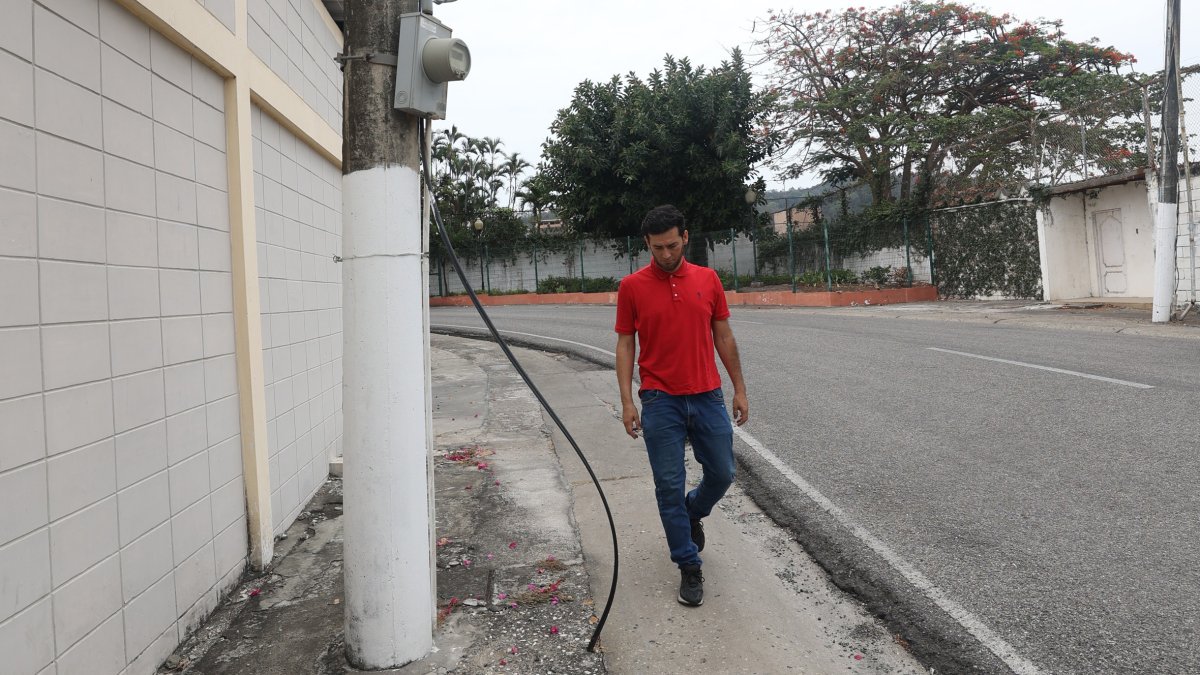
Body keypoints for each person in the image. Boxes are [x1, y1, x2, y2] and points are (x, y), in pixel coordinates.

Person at [614, 204, 749, 607]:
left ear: (685, 238)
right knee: (668, 486)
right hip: (660, 400)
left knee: (723, 473)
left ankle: (693, 512)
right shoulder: (632, 287)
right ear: (647, 244)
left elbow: (723, 336)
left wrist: (739, 388)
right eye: (658, 248)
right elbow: (625, 344)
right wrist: (626, 400)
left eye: (672, 245)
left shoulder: (708, 279)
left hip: (707, 394)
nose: (666, 254)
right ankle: (688, 564)